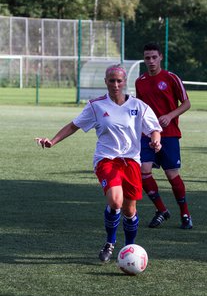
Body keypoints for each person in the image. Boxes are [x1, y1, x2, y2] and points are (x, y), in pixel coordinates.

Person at [35, 64, 162, 263]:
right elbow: (73, 125)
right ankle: (110, 242)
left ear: (124, 82)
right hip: (106, 159)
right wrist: (52, 141)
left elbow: (154, 128)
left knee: (130, 210)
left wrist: (156, 140)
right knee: (115, 201)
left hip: (131, 161)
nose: (116, 84)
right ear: (106, 82)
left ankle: (129, 247)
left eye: (119, 81)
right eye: (112, 80)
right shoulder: (96, 105)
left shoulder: (138, 106)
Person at [135, 42, 193, 229]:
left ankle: (185, 214)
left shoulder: (171, 78)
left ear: (160, 57)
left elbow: (186, 103)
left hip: (169, 134)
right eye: (147, 58)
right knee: (143, 171)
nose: (151, 61)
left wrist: (170, 115)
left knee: (171, 174)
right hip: (147, 134)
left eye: (154, 57)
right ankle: (161, 209)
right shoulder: (140, 81)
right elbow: (141, 108)